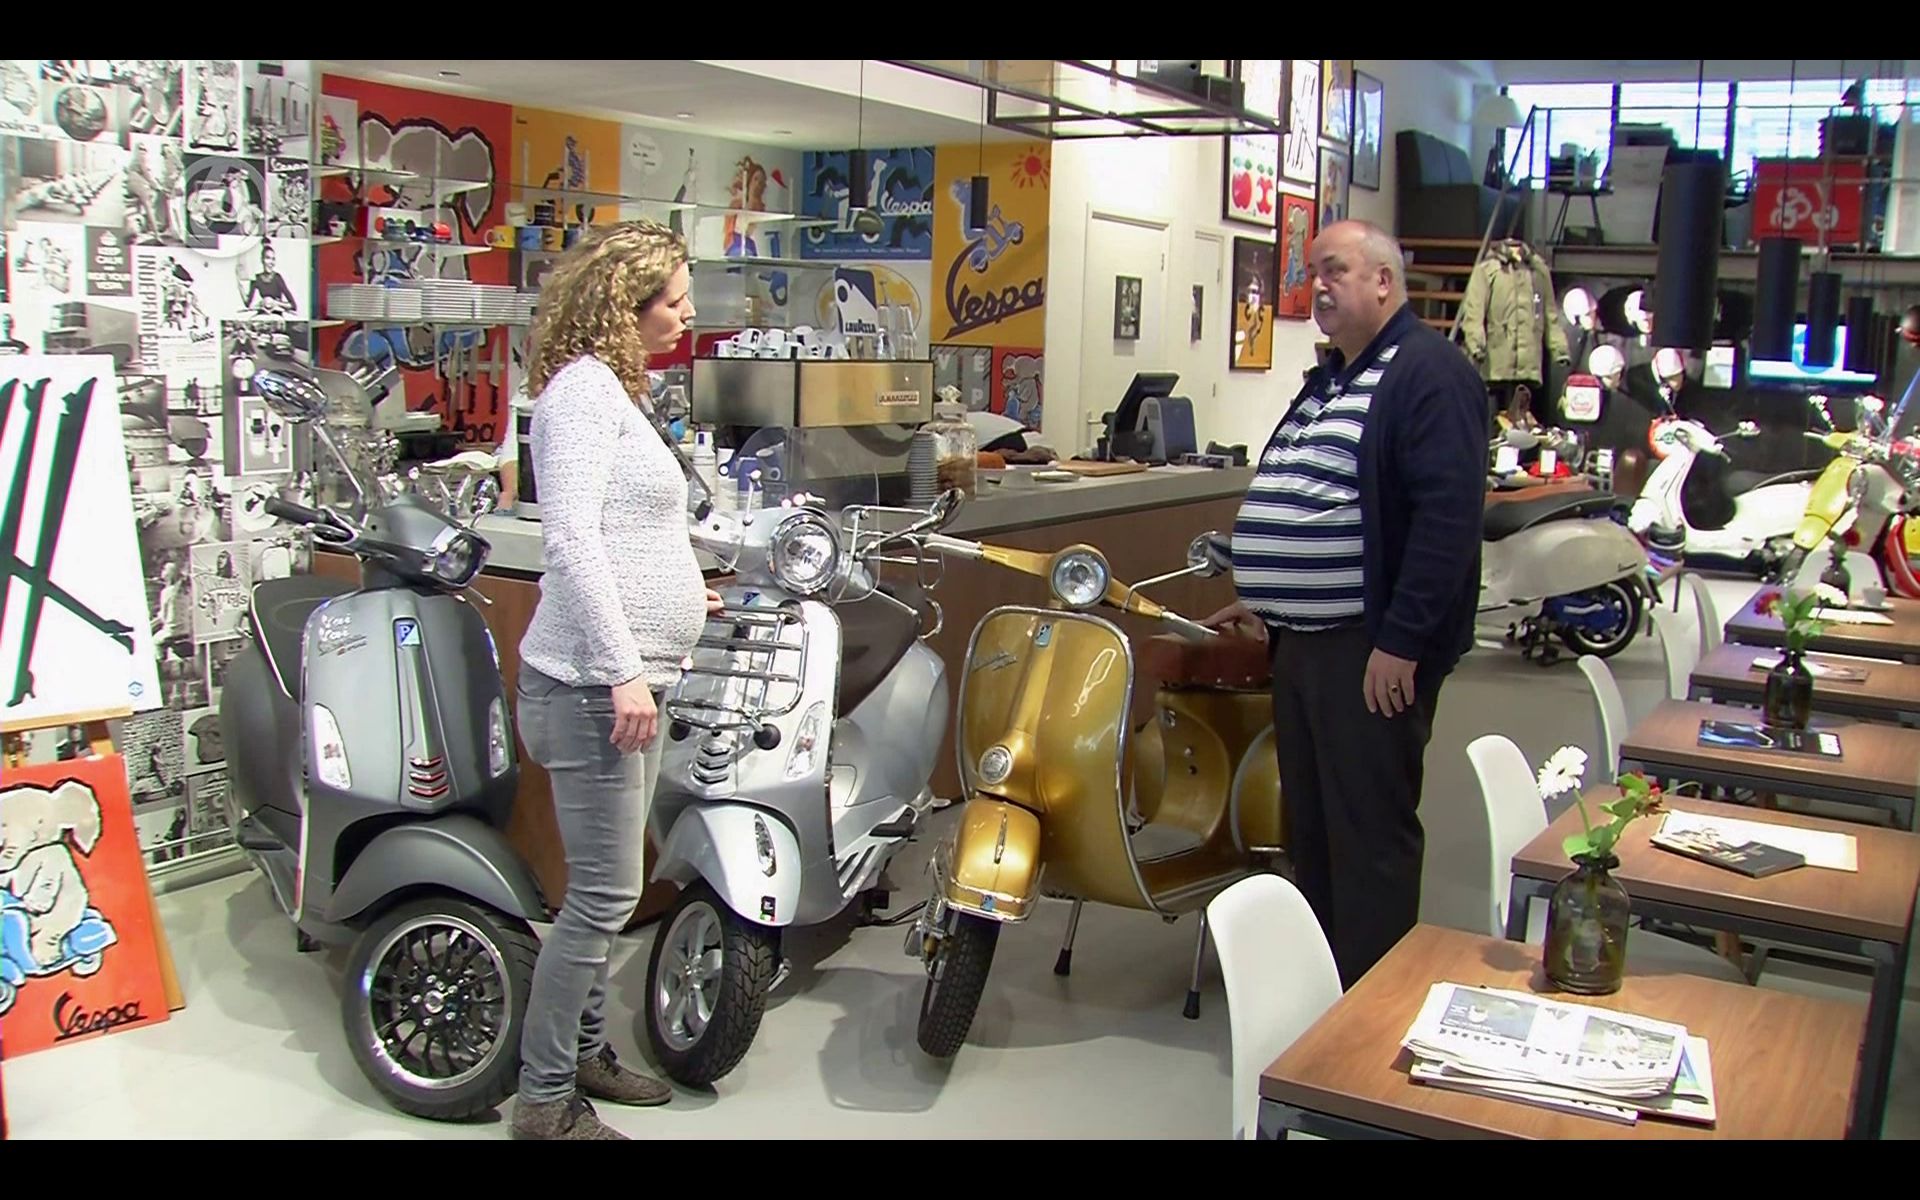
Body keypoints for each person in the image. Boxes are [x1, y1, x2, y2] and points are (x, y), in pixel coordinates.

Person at [1206, 220, 1486, 989]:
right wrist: (1267, 598)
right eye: (1313, 272)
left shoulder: (1429, 375)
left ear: (1383, 282)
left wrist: (1402, 641)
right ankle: (1324, 994)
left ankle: (1371, 1005)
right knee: (1315, 831)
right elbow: (1312, 498)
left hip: (1369, 650)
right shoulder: (1334, 376)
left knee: (1368, 836)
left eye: (1333, 270)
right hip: (1305, 644)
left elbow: (1446, 522)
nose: (1317, 287)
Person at [512, 220, 723, 1141]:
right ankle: (544, 1100)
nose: (689, 313)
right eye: (674, 299)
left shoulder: (611, 390)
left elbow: (626, 532)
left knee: (610, 891)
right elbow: (570, 541)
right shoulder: (580, 396)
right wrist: (623, 669)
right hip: (590, 689)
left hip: (622, 681)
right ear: (621, 306)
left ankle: (586, 1053)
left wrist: (679, 592)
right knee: (599, 898)